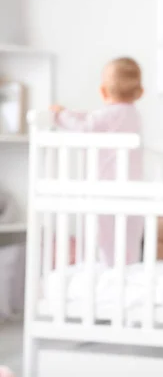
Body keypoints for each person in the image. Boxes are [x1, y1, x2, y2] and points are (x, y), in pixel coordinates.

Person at [50, 57, 144, 266]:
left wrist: (61, 115)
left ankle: (109, 266)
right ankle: (128, 266)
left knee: (104, 235)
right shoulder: (134, 114)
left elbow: (85, 126)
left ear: (103, 91)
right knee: (129, 234)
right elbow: (92, 118)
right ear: (140, 92)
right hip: (132, 189)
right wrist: (72, 113)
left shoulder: (109, 114)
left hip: (105, 187)